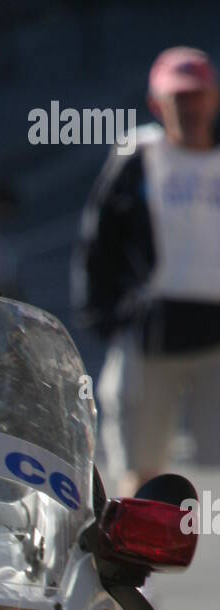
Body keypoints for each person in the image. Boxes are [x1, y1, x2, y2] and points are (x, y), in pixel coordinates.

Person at [72, 47, 220, 494]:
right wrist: (105, 315)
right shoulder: (138, 156)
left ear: (212, 99)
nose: (189, 108)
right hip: (153, 327)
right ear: (158, 105)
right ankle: (135, 555)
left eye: (197, 97)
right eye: (179, 99)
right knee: (141, 461)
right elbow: (99, 240)